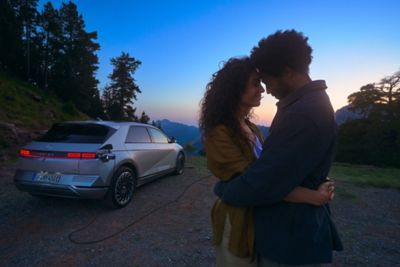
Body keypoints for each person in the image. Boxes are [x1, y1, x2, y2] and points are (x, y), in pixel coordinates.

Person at [214, 30, 343, 266]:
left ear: (287, 72)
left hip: (288, 241)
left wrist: (224, 189)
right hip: (290, 233)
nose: (266, 88)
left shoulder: (303, 114)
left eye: (267, 80)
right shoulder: (305, 106)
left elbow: (264, 182)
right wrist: (315, 190)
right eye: (259, 83)